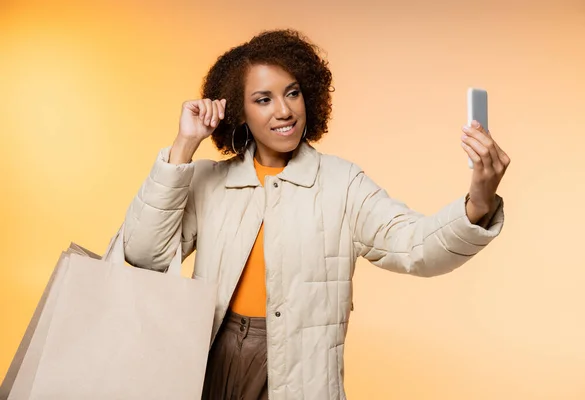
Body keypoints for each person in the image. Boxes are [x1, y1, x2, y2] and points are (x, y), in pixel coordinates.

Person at [121, 29, 509, 400]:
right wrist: (183, 145)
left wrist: (478, 201)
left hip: (296, 372)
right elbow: (143, 254)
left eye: (292, 93)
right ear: (240, 111)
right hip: (209, 361)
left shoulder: (342, 184)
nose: (284, 110)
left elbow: (416, 248)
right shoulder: (208, 181)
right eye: (263, 99)